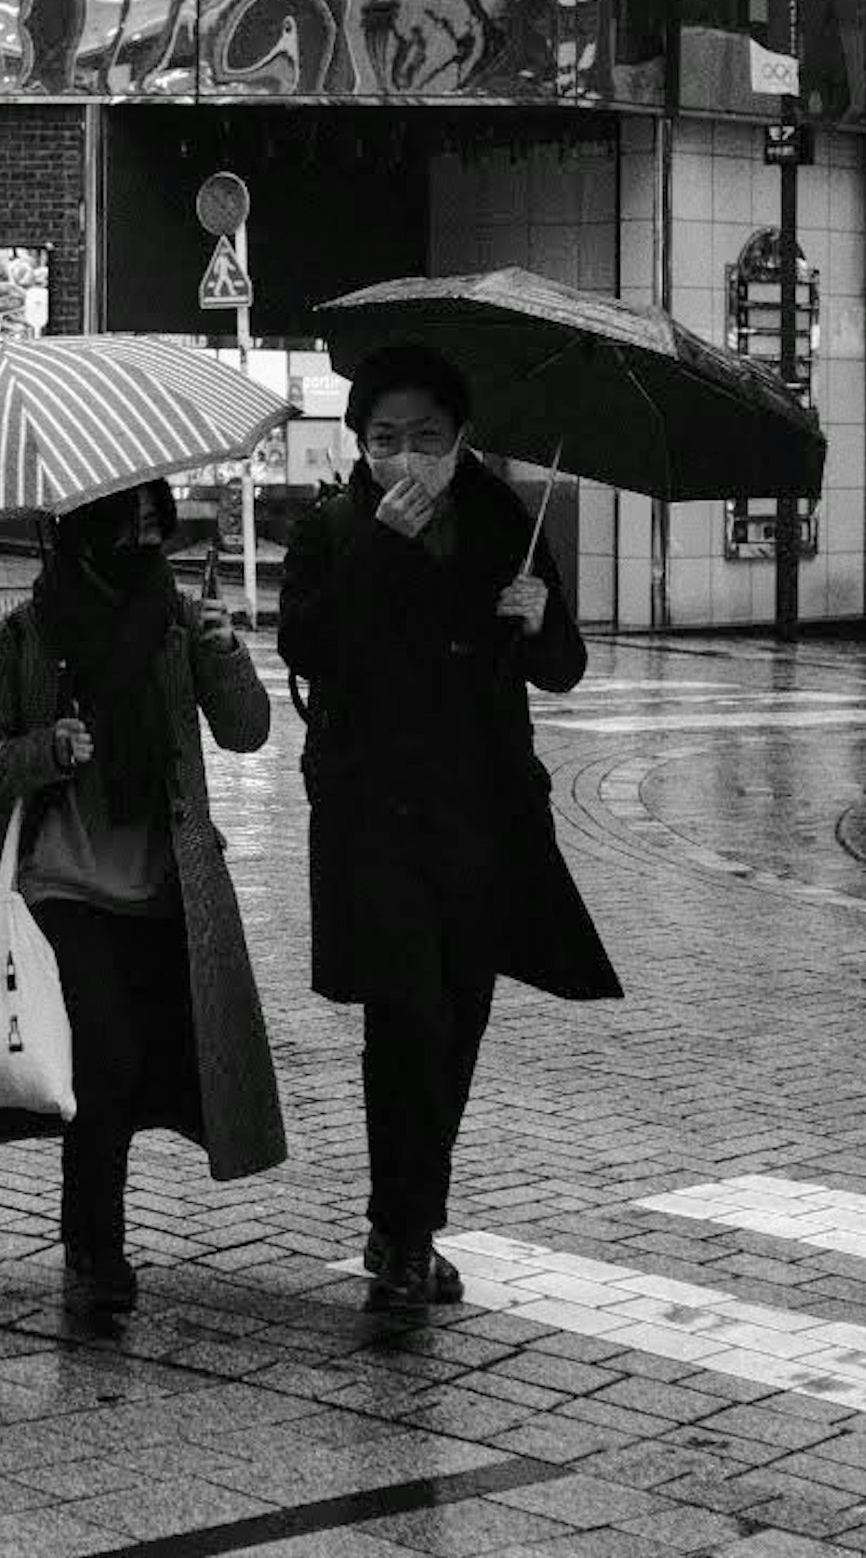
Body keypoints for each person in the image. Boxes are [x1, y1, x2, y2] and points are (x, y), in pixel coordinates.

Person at [278, 346, 622, 1321]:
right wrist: (383, 546)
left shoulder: (505, 521)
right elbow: (308, 643)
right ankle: (403, 1233)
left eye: (426, 439)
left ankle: (409, 1226)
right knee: (406, 1018)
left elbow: (558, 667)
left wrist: (542, 614)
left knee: (458, 1022)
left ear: (461, 440)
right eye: (384, 439)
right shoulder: (336, 526)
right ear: (359, 442)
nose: (405, 458)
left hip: (483, 817)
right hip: (374, 821)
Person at [0, 482, 287, 1318]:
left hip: (165, 888)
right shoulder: (25, 636)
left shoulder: (177, 624)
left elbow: (248, 731)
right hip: (59, 886)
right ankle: (95, 1247)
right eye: (126, 522)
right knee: (105, 1060)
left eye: (153, 522)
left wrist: (224, 651)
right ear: (79, 528)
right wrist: (46, 749)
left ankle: (93, 1238)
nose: (143, 539)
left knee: (143, 1070)